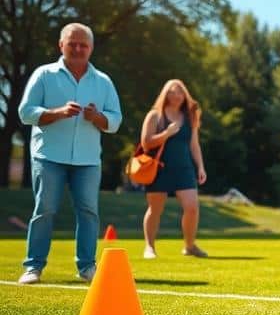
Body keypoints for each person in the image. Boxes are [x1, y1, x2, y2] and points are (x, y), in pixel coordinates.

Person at [16, 23, 122, 284]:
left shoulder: (103, 82)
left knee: (88, 212)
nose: (77, 48)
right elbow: (25, 112)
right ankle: (33, 267)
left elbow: (116, 120)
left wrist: (98, 117)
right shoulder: (44, 75)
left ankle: (87, 267)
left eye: (83, 44)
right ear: (60, 45)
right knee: (45, 209)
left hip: (87, 160)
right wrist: (58, 112)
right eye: (72, 43)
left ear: (91, 48)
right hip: (48, 156)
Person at [140, 79, 208, 258]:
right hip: (158, 168)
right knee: (155, 209)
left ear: (184, 94)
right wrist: (166, 133)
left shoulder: (190, 117)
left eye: (179, 92)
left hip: (184, 168)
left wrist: (200, 167)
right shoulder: (154, 115)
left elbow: (194, 145)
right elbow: (146, 143)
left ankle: (190, 246)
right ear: (165, 94)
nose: (176, 95)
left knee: (192, 206)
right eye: (171, 91)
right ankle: (149, 247)